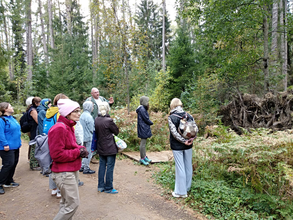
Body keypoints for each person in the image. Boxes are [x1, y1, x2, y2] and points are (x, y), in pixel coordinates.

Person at [48, 99, 89, 220]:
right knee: (72, 204)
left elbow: (70, 145)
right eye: (75, 111)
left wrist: (80, 148)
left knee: (66, 203)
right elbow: (57, 155)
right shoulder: (59, 128)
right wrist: (78, 152)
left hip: (70, 170)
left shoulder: (69, 126)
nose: (78, 113)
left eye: (79, 111)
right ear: (67, 113)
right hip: (64, 172)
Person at [168, 98, 198, 198]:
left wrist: (183, 141)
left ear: (172, 105)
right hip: (189, 145)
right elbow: (196, 129)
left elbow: (174, 133)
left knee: (180, 167)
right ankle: (187, 187)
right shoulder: (189, 115)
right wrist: (191, 140)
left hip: (177, 146)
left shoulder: (171, 117)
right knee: (188, 165)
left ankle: (181, 192)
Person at [95, 102, 119, 194]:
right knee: (110, 167)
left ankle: (100, 186)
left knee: (102, 166)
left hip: (100, 146)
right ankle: (109, 187)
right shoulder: (109, 120)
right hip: (110, 147)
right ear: (107, 109)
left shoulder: (96, 120)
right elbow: (116, 131)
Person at [0, 102, 22, 194]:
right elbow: (0, 133)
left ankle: (9, 180)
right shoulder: (2, 120)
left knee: (14, 163)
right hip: (6, 147)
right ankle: (0, 183)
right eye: (10, 106)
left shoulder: (12, 118)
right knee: (8, 164)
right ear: (5, 109)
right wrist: (5, 144)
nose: (12, 108)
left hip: (15, 145)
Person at [136, 96, 153, 166]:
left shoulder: (141, 108)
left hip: (143, 128)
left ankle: (144, 156)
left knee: (144, 144)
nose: (148, 103)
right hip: (143, 128)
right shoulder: (142, 109)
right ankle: (142, 158)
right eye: (147, 101)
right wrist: (151, 122)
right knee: (142, 144)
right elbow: (146, 119)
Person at [79, 101, 95, 174]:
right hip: (88, 136)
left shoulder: (81, 115)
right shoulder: (89, 116)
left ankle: (82, 166)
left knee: (83, 152)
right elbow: (92, 128)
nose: (93, 108)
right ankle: (86, 168)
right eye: (92, 106)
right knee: (88, 153)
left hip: (82, 136)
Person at [28, 96, 42, 170]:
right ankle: (33, 165)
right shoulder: (33, 110)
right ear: (36, 103)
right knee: (34, 146)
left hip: (35, 130)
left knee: (35, 146)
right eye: (39, 102)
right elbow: (37, 120)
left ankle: (36, 163)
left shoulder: (35, 109)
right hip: (33, 131)